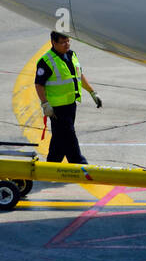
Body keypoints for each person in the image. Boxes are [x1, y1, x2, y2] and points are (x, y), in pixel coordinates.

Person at [34, 31, 102, 164]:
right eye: (63, 42)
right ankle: (79, 164)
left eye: (68, 41)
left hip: (71, 105)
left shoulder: (72, 55)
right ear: (53, 43)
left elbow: (79, 76)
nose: (67, 45)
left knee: (59, 138)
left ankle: (52, 164)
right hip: (57, 108)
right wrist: (45, 104)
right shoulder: (46, 61)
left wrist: (92, 92)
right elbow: (39, 85)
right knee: (69, 136)